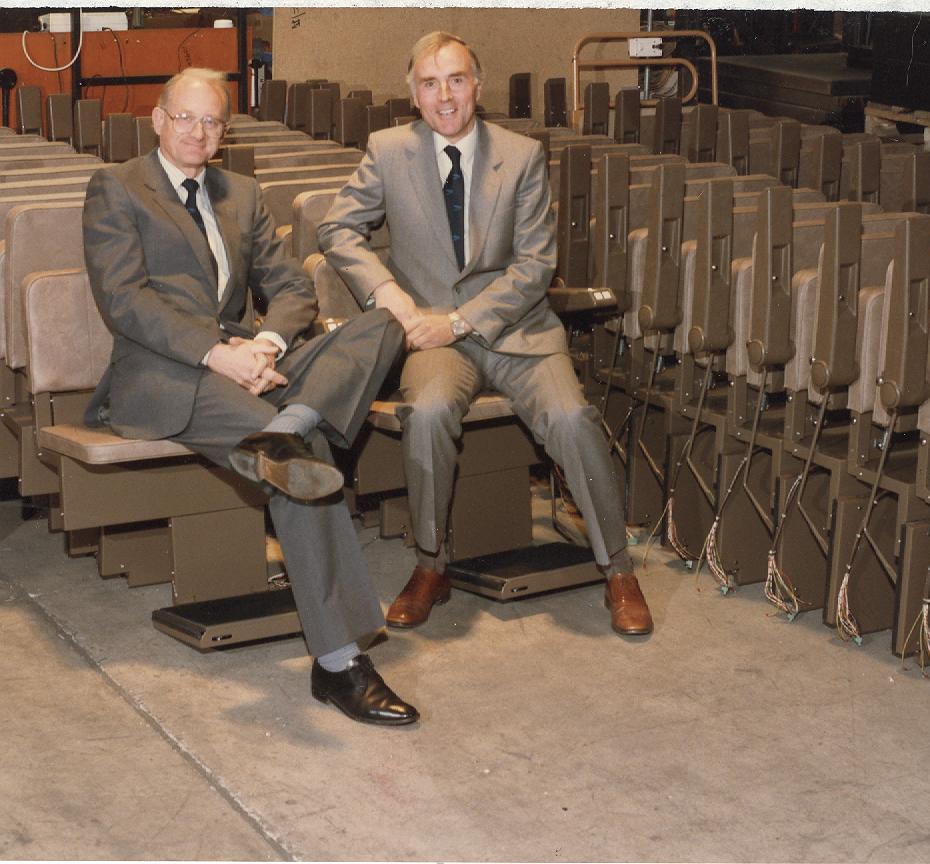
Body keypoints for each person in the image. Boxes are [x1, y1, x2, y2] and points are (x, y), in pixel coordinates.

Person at [82, 68, 418, 726]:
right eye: (184, 118)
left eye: (211, 121)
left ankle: (288, 418)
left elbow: (291, 287)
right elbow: (125, 302)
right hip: (165, 373)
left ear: (225, 130)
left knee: (383, 324)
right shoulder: (117, 188)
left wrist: (262, 347)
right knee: (303, 459)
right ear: (157, 119)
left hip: (250, 363)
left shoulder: (243, 192)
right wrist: (219, 356)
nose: (197, 132)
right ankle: (340, 663)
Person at [318, 32, 652, 636]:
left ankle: (619, 570)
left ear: (478, 85)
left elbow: (534, 266)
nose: (444, 96)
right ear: (413, 95)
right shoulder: (388, 151)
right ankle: (430, 565)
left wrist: (462, 320)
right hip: (432, 338)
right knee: (426, 414)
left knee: (573, 419)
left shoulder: (520, 155)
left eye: (455, 80)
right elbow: (338, 229)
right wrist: (389, 296)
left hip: (517, 329)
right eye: (429, 83)